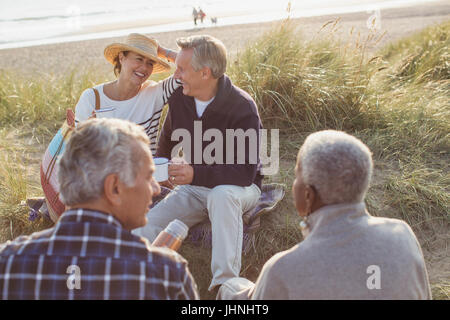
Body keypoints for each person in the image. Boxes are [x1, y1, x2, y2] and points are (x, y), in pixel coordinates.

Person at [217, 130, 432, 300]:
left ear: (308, 195)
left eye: (296, 177)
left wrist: (227, 289)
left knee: (231, 289)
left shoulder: (283, 270)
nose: (293, 186)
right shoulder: (402, 236)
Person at [0, 118, 199, 300]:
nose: (156, 189)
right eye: (148, 178)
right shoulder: (166, 274)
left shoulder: (8, 263)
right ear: (114, 188)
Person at [133, 35, 263, 294]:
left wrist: (195, 173)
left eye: (182, 69)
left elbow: (245, 172)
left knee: (222, 195)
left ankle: (225, 286)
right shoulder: (180, 97)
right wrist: (161, 166)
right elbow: (168, 135)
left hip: (237, 188)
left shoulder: (242, 107)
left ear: (205, 73)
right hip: (194, 188)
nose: (176, 75)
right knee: (145, 227)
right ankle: (140, 283)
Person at [75, 33, 179, 156]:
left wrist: (163, 52)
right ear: (121, 58)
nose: (144, 68)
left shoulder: (155, 93)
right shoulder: (91, 98)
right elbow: (78, 151)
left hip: (147, 174)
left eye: (150, 63)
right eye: (139, 59)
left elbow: (196, 66)